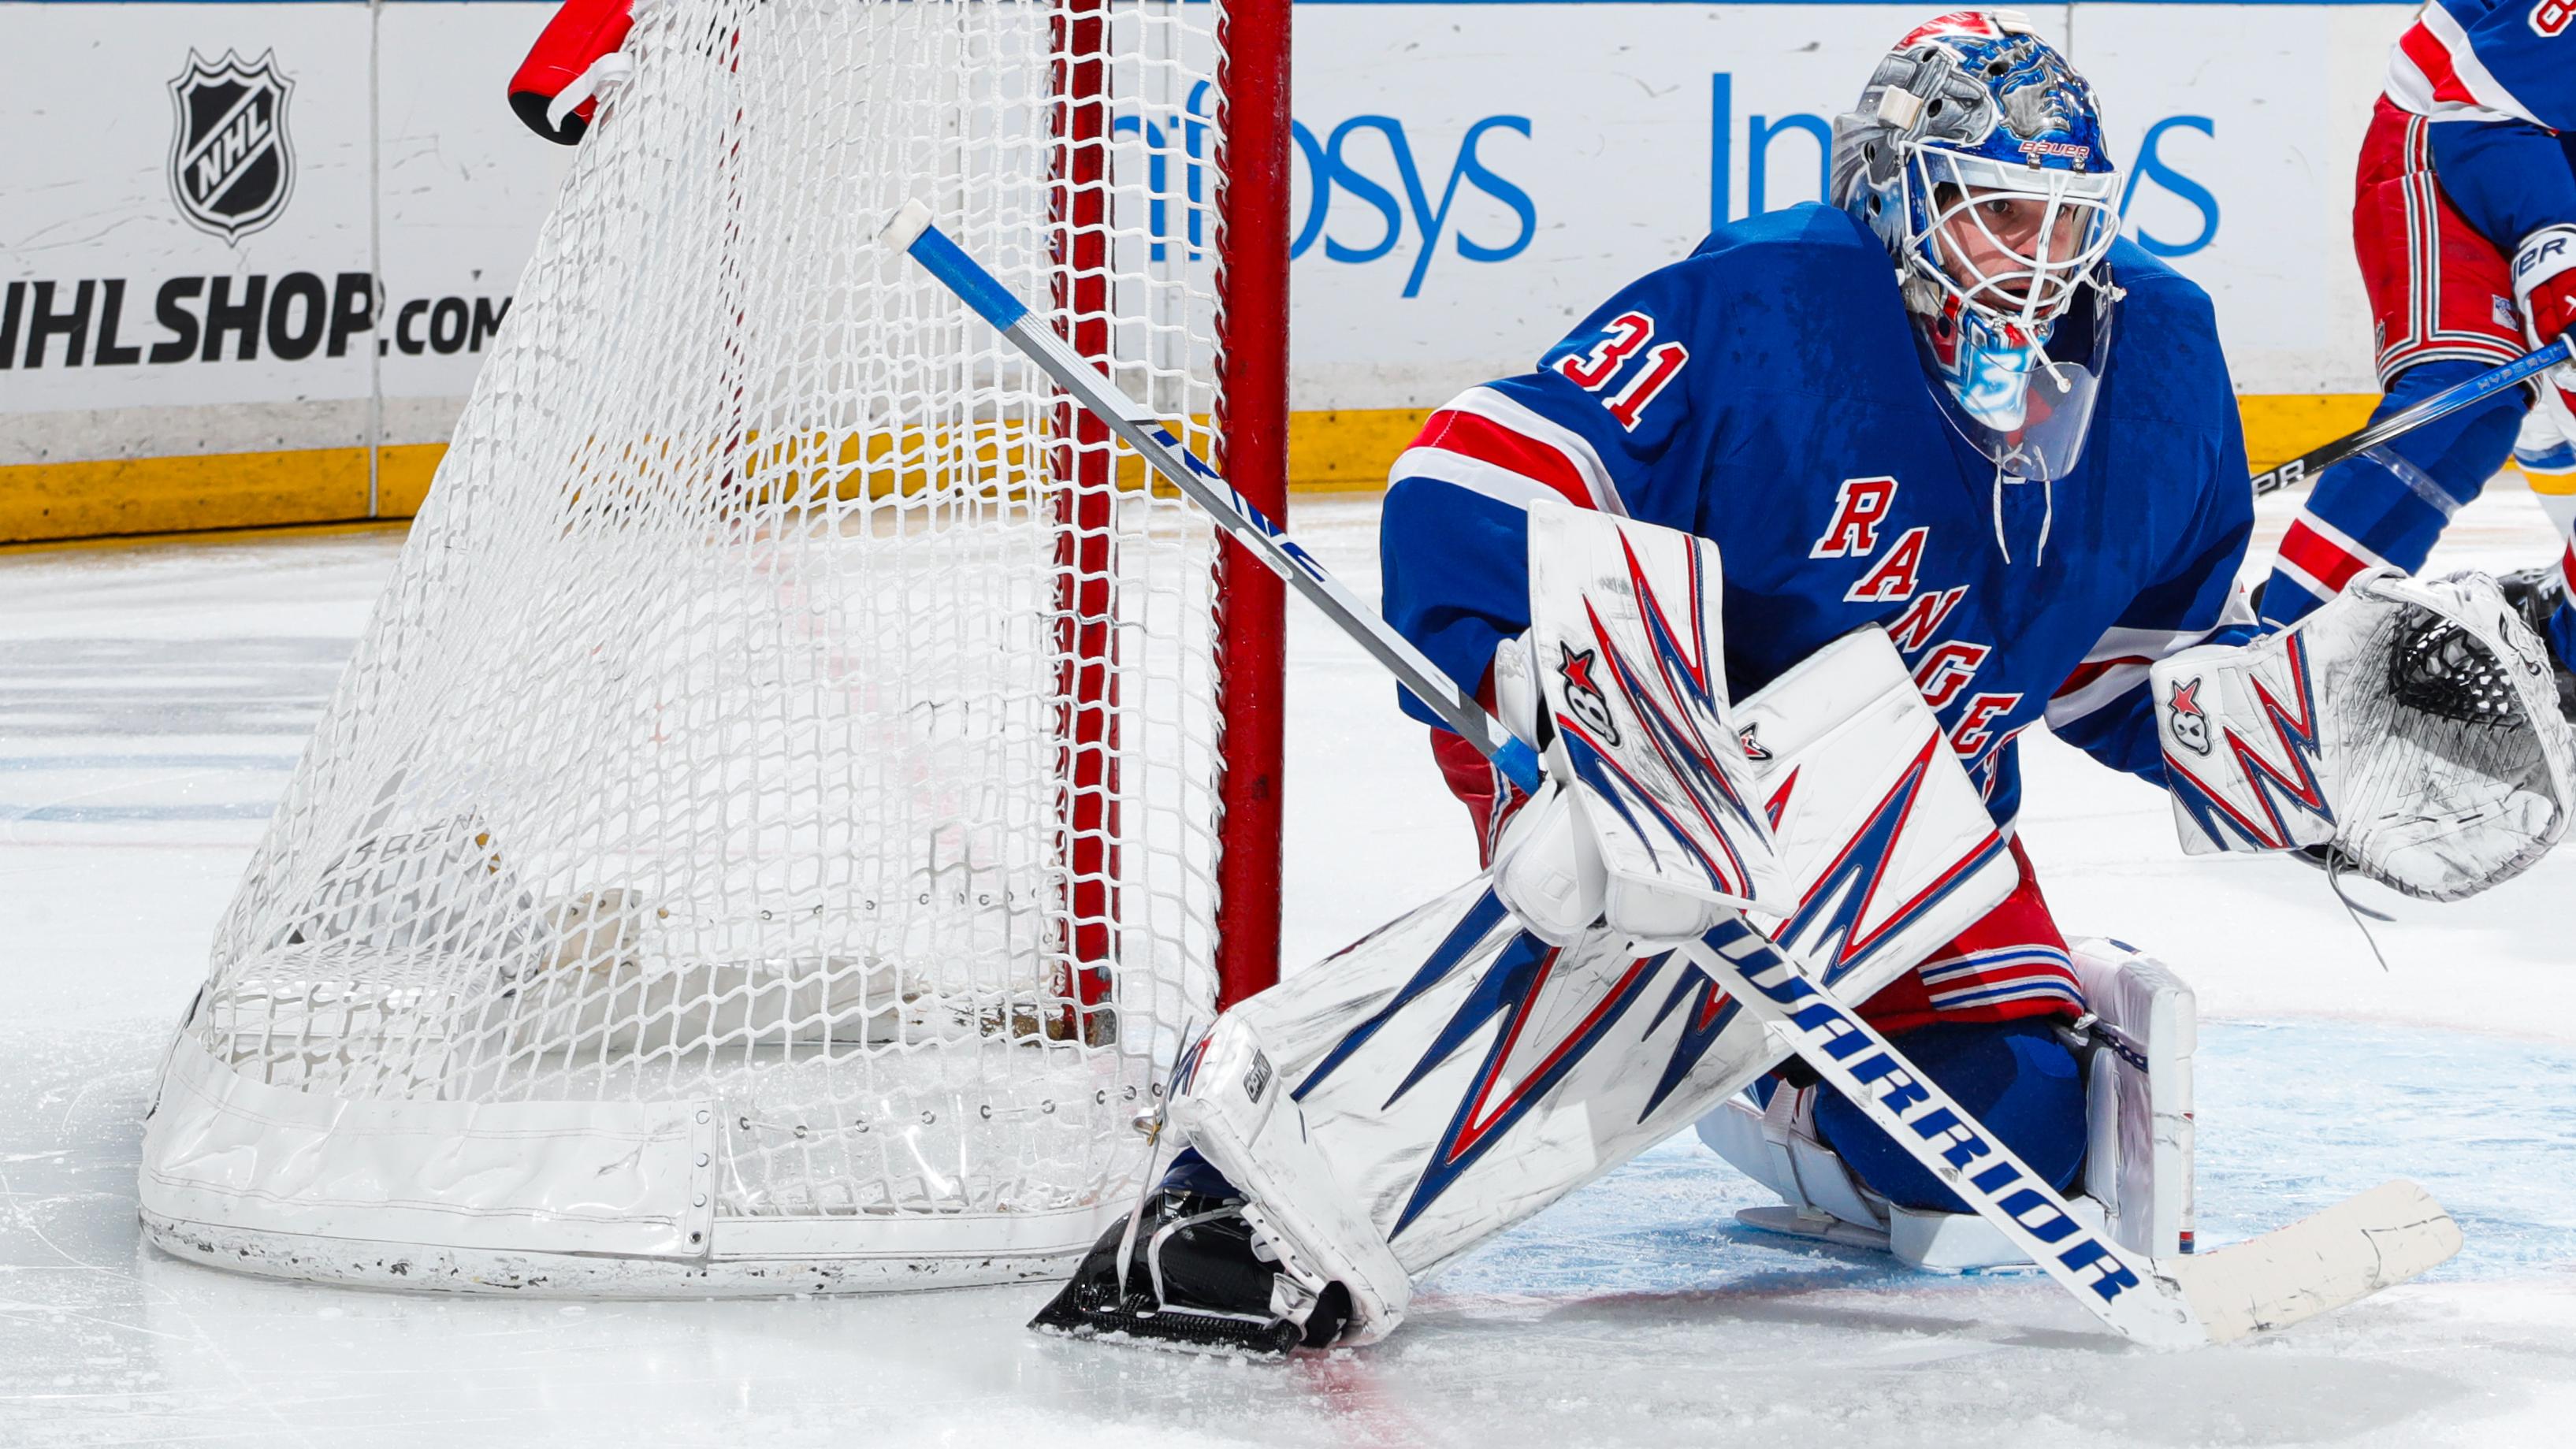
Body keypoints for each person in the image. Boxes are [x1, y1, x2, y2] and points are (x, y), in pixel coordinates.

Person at [1039, 9, 2266, 1348]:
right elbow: (1470, 483)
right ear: (1888, 195)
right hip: (1667, 775)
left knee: (2019, 1130)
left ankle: (1787, 1082)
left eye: (2059, 223)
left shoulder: (2158, 370)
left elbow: (2126, 668)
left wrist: (2305, 736)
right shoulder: (1763, 307)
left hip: (1911, 835)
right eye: (1989, 216)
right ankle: (1264, 1129)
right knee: (1540, 1018)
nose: (2031, 270)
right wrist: (1572, 732)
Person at [2258, 0, 2576, 714]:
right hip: (2453, 128)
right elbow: (2481, 104)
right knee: (2463, 401)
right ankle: (2281, 657)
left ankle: (2567, 632)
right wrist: (2557, 257)